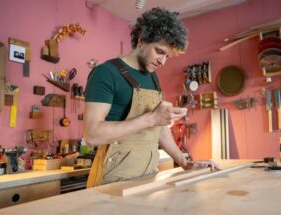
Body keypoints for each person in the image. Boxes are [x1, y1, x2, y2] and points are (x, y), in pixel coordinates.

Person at [84, 7, 219, 188]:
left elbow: (160, 130)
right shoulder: (105, 73)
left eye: (168, 56)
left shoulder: (152, 77)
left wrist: (186, 163)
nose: (162, 62)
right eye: (159, 51)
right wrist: (150, 118)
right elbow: (92, 135)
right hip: (112, 178)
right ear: (141, 40)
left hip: (147, 176)